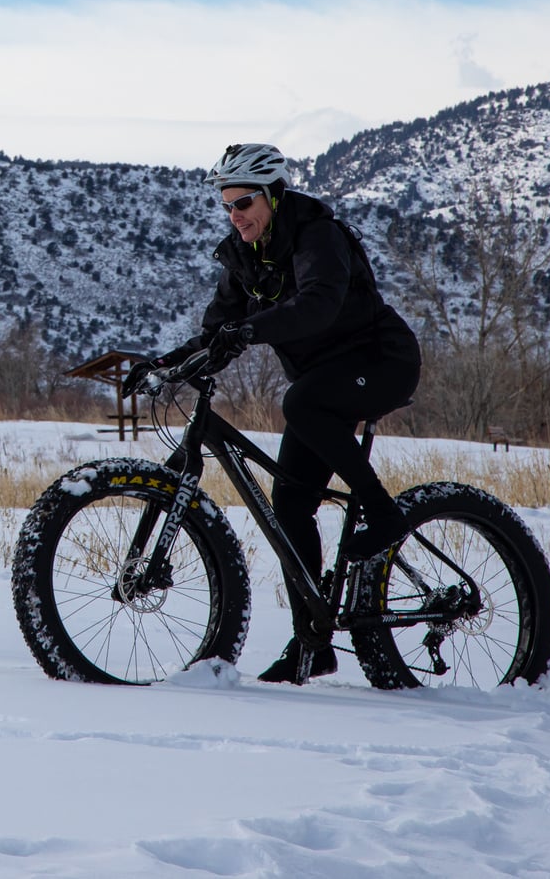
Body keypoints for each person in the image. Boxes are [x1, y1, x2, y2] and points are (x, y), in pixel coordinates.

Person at [123, 142, 421, 684]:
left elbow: (318, 303)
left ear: (274, 196)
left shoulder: (316, 236)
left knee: (302, 402)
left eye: (244, 204)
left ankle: (385, 514)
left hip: (381, 362)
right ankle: (312, 644)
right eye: (228, 206)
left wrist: (251, 330)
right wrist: (168, 362)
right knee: (290, 506)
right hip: (322, 379)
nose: (235, 216)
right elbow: (220, 329)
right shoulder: (244, 257)